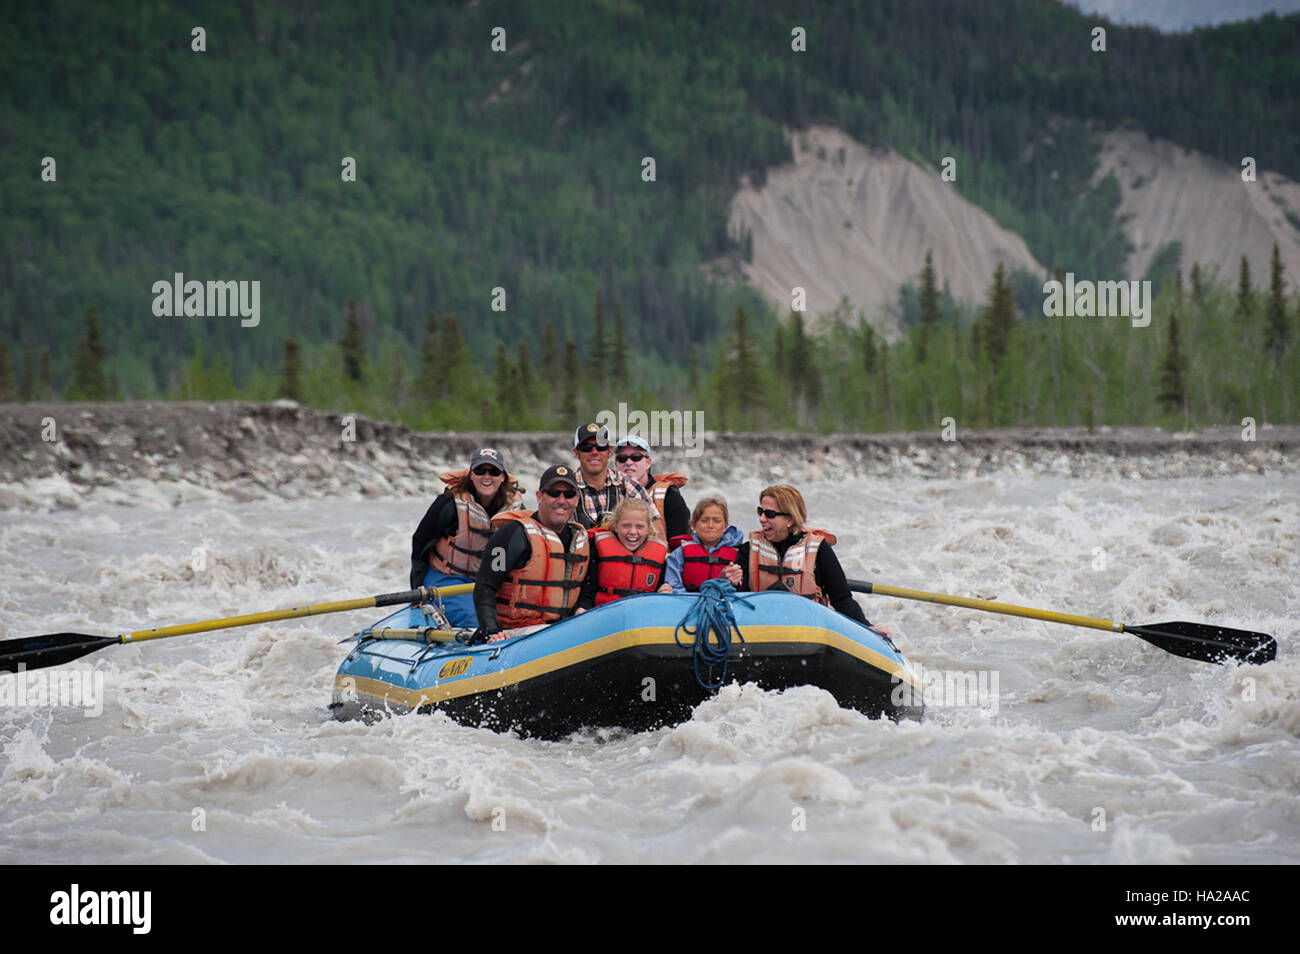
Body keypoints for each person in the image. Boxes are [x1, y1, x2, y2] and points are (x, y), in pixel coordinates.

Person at [472, 464, 590, 642]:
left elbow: (588, 590)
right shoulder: (510, 535)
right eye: (553, 493)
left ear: (576, 500)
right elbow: (485, 587)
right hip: (517, 633)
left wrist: (583, 607)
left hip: (561, 630)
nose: (561, 500)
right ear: (540, 496)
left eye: (568, 494)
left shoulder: (580, 539)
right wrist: (491, 630)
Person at [409, 448, 524, 627]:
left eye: (493, 472)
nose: (487, 477)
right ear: (471, 474)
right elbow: (420, 542)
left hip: (488, 583)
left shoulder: (516, 508)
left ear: (503, 477)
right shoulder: (449, 503)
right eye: (480, 471)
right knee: (476, 620)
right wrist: (417, 591)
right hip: (448, 578)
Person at [734, 484, 871, 625]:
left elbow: (842, 599)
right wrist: (730, 580)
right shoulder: (749, 549)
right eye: (760, 511)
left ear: (790, 520)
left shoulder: (818, 549)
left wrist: (868, 628)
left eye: (769, 514)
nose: (762, 518)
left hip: (807, 627)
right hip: (762, 625)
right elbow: (739, 598)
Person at [576, 498, 669, 610]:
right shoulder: (597, 549)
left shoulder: (659, 554)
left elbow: (660, 591)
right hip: (604, 613)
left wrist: (666, 590)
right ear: (615, 526)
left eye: (639, 526)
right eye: (626, 526)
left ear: (648, 528)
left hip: (641, 616)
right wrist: (582, 607)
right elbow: (588, 589)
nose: (633, 532)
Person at [613, 434, 691, 550]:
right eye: (622, 458)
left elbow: (680, 542)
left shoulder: (669, 494)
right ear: (616, 465)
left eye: (636, 457)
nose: (628, 462)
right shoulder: (609, 493)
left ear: (648, 463)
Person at [570, 422, 651, 530]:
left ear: (609, 451)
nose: (594, 452)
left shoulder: (629, 485)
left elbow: (654, 526)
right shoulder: (566, 489)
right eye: (586, 448)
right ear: (576, 453)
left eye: (601, 446)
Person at [660, 496, 744, 593]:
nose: (710, 525)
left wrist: (735, 581)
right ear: (694, 525)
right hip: (686, 602)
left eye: (717, 521)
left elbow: (743, 586)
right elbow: (673, 584)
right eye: (704, 521)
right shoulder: (679, 553)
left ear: (725, 526)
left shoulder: (739, 554)